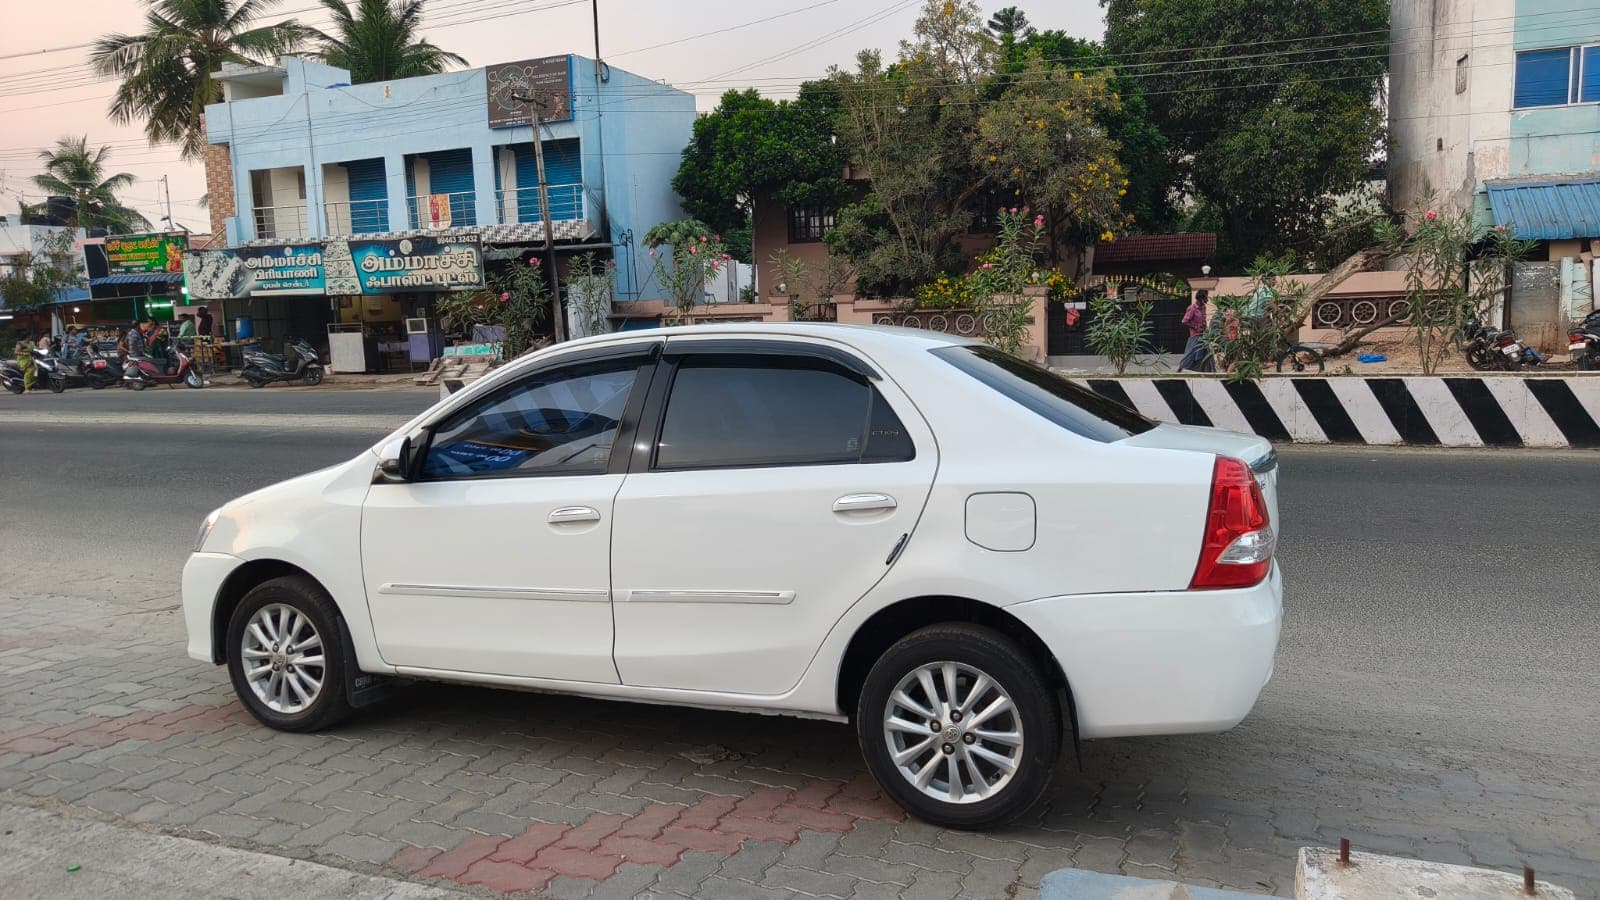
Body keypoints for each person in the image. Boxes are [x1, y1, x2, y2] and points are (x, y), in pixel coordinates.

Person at [1178, 290, 1211, 372]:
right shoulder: (1192, 308)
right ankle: (1179, 371)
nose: (1207, 300)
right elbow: (1184, 321)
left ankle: (1207, 372)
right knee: (1190, 354)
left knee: (1206, 353)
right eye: (1206, 297)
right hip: (1195, 335)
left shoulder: (1203, 307)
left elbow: (1204, 320)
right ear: (1201, 298)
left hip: (1203, 335)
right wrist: (1196, 327)